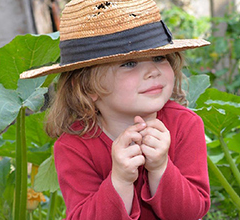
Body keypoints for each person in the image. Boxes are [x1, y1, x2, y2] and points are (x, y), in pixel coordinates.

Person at [20, 0, 211, 219]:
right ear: (87, 87)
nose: (152, 71)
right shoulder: (73, 146)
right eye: (129, 63)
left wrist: (160, 167)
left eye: (159, 57)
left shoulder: (186, 125)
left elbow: (191, 213)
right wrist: (119, 180)